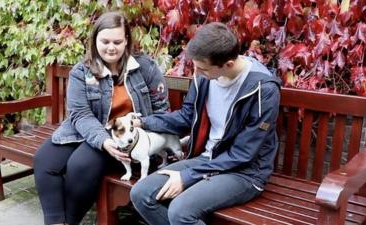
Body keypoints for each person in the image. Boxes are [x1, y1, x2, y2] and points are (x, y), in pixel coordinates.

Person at [130, 22, 281, 225]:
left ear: (227, 64)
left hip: (245, 172)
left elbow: (243, 154)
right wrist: (143, 122)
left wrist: (187, 177)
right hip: (208, 159)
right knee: (141, 194)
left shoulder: (263, 90)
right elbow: (186, 117)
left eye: (202, 69)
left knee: (180, 212)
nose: (197, 73)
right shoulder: (205, 75)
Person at [33, 11, 169, 225]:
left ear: (127, 41)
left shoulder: (146, 68)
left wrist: (141, 128)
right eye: (105, 41)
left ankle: (70, 220)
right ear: (95, 40)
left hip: (128, 138)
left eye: (117, 41)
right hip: (89, 130)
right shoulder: (82, 72)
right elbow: (80, 114)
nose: (111, 47)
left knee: (80, 165)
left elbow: (162, 111)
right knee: (44, 160)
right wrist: (103, 140)